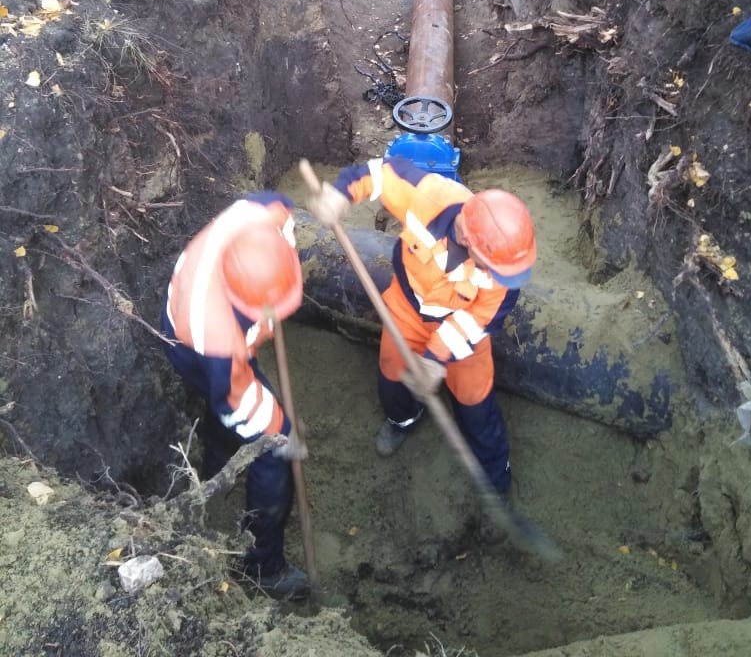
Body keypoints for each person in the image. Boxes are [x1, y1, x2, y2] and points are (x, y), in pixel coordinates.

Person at [307, 155, 536, 510]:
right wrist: (341, 194)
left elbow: (477, 322)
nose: (502, 275)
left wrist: (435, 358)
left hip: (462, 332)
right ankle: (403, 420)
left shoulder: (504, 273)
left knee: (477, 404)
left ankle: (495, 480)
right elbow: (379, 174)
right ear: (471, 241)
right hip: (407, 308)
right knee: (392, 376)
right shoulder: (430, 197)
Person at [162, 192, 310, 600]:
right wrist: (282, 433)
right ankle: (263, 565)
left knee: (246, 421)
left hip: (220, 315)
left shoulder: (258, 213)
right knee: (271, 447)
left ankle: (218, 464)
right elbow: (241, 400)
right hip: (190, 346)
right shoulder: (217, 342)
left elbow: (282, 208)